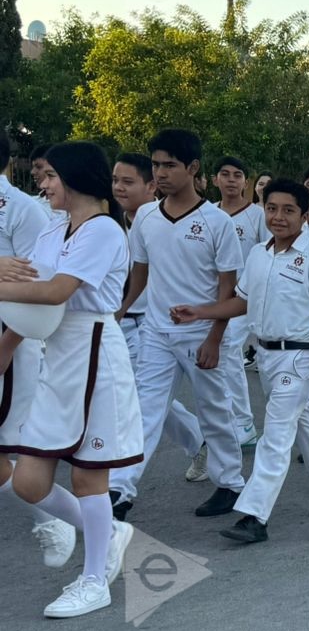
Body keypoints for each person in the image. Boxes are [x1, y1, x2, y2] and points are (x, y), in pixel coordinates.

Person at [0, 142, 139, 617]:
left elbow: (56, 291)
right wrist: (4, 351)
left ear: (75, 176)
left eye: (50, 176)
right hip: (56, 353)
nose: (42, 184)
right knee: (29, 482)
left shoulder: (102, 230)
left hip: (95, 349)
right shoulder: (55, 230)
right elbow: (31, 299)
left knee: (88, 476)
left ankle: (94, 578)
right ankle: (111, 533)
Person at [169, 179, 309, 543]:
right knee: (303, 427)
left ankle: (253, 515)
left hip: (300, 358)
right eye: (272, 208)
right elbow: (241, 302)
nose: (278, 217)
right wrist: (200, 313)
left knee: (275, 437)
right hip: (266, 356)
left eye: (288, 210)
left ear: (304, 215)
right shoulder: (260, 254)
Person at [110, 129, 246, 521]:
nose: (162, 173)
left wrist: (215, 339)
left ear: (193, 168)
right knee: (144, 410)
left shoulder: (216, 222)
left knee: (215, 410)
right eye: (156, 165)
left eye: (170, 165)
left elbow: (228, 288)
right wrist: (122, 308)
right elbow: (141, 272)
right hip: (155, 332)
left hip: (201, 332)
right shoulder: (147, 217)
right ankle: (121, 488)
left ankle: (230, 482)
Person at [0, 130, 79, 567]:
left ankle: (54, 518)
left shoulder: (21, 209)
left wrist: (10, 344)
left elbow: (38, 283)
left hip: (8, 336)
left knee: (9, 446)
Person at [110, 152, 207, 485]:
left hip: (158, 325)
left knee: (143, 400)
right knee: (140, 399)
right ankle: (197, 441)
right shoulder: (108, 221)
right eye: (115, 181)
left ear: (151, 186)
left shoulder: (168, 222)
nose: (119, 188)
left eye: (128, 181)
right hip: (116, 323)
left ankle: (119, 485)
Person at [214, 156, 265, 451]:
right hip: (215, 297)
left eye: (237, 175)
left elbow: (269, 252)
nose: (231, 180)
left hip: (248, 298)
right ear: (214, 180)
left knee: (228, 345)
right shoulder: (208, 214)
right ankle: (229, 422)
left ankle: (244, 424)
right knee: (217, 357)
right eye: (225, 174)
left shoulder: (257, 216)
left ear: (246, 182)